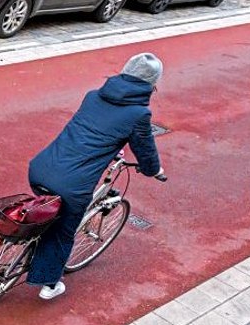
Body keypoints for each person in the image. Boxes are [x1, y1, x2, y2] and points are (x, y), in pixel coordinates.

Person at [26, 53, 167, 300]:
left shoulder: (93, 96)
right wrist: (154, 170)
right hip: (72, 185)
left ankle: (25, 249)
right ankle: (49, 283)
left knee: (48, 215)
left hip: (40, 167)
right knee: (63, 232)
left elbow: (93, 129)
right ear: (151, 85)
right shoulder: (138, 114)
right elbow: (145, 150)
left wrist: (115, 145)